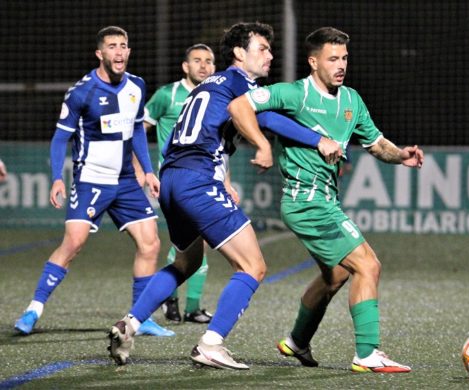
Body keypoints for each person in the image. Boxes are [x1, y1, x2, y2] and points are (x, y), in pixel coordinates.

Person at [108, 22, 342, 369]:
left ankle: (129, 324)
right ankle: (211, 343)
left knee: (186, 262)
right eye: (262, 48)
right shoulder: (238, 84)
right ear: (238, 54)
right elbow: (269, 120)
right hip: (197, 181)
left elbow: (247, 119)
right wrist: (315, 140)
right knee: (253, 266)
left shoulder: (210, 84)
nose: (270, 56)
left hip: (173, 179)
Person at [228, 27, 425, 373]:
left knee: (335, 276)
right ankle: (367, 353)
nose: (341, 65)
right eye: (333, 58)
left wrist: (401, 155)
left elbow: (376, 143)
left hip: (325, 200)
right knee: (368, 265)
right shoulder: (296, 94)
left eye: (345, 58)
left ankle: (297, 341)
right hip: (306, 201)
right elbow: (240, 105)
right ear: (313, 61)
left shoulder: (351, 100)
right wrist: (262, 145)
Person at [14, 26, 173, 337]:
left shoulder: (137, 86)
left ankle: (140, 318)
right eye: (112, 46)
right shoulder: (81, 92)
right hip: (91, 180)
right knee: (73, 243)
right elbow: (61, 138)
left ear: (129, 51)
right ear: (100, 53)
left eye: (123, 46)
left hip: (127, 181)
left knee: (151, 243)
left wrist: (149, 170)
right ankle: (34, 309)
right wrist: (57, 178)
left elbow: (137, 130)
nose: (118, 52)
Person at [140, 44, 218, 324]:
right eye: (197, 60)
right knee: (196, 240)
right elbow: (140, 128)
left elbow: (219, 146)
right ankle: (184, 303)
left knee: (193, 242)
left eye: (209, 61)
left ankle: (176, 301)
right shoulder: (167, 95)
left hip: (204, 178)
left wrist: (227, 181)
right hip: (176, 180)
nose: (203, 66)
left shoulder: (215, 97)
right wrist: (143, 168)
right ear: (185, 66)